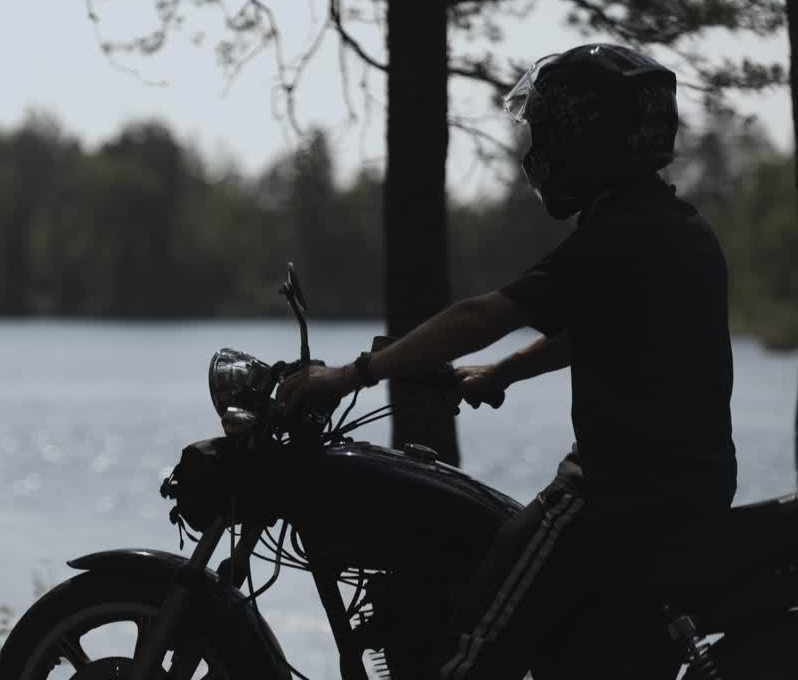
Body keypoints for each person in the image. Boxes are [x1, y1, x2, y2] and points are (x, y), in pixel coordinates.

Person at [277, 43, 737, 679]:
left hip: (612, 495)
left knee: (467, 658)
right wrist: (504, 373)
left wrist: (349, 376)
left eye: (546, 131)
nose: (537, 149)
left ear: (586, 137)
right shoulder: (678, 226)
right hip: (690, 489)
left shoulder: (616, 235)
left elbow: (482, 316)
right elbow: (594, 330)